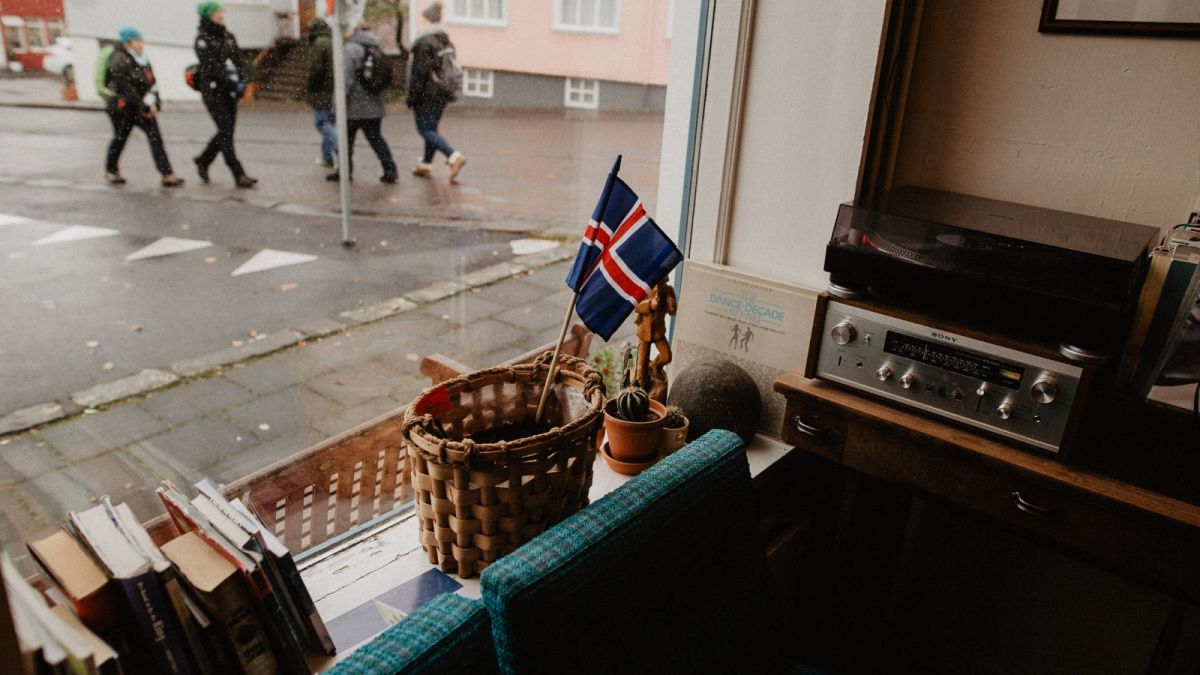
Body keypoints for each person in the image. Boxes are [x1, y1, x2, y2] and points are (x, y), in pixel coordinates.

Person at [103, 27, 184, 187]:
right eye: (136, 41)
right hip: (123, 109)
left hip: (141, 107)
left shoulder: (142, 60)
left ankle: (167, 174)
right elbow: (126, 88)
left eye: (141, 40)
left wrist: (156, 102)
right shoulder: (119, 60)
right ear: (128, 43)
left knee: (155, 138)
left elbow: (151, 82)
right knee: (120, 138)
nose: (140, 44)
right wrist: (144, 107)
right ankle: (111, 170)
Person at [193, 1, 257, 188]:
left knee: (226, 132)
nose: (221, 14)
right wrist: (232, 84)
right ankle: (239, 174)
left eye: (221, 11)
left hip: (230, 92)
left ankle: (203, 160)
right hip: (213, 92)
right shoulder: (202, 40)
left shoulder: (229, 36)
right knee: (226, 132)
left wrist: (243, 81)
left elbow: (238, 60)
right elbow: (213, 68)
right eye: (217, 12)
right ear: (208, 16)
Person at [327, 24, 398, 183]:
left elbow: (345, 82)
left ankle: (344, 172)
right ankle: (390, 170)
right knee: (376, 139)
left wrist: (336, 106)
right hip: (374, 105)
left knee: (346, 142)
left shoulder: (350, 49)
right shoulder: (375, 47)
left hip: (353, 107)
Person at [406, 2, 466, 183]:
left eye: (423, 20)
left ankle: (453, 156)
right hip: (442, 93)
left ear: (427, 21)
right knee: (431, 129)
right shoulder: (445, 40)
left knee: (424, 129)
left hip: (427, 94)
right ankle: (425, 165)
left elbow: (419, 73)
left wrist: (412, 97)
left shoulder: (424, 43)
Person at [304, 17, 336, 169]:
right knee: (328, 122)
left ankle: (340, 149)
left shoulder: (319, 43)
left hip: (322, 90)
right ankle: (326, 156)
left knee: (322, 123)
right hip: (332, 90)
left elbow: (316, 69)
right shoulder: (332, 41)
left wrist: (311, 89)